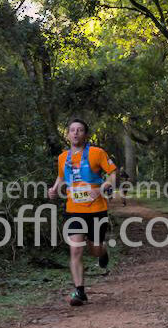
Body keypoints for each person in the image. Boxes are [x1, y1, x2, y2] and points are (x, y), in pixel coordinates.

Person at [48, 119, 117, 306]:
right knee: (76, 249)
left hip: (97, 209)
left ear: (86, 134)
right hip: (74, 210)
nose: (76, 133)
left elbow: (112, 173)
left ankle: (103, 252)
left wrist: (104, 187)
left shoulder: (97, 153)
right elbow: (62, 176)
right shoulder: (63, 157)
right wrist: (54, 188)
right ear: (68, 134)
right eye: (72, 130)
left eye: (80, 130)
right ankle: (79, 291)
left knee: (94, 250)